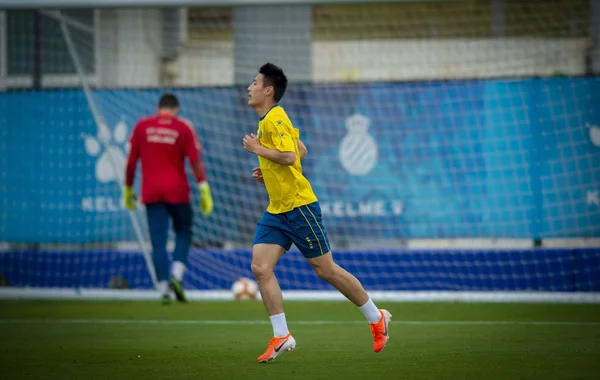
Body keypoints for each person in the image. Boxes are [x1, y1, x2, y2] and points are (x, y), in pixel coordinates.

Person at [242, 63, 391, 363]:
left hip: (299, 207)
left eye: (255, 82)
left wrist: (260, 151)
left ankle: (377, 318)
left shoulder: (276, 117)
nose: (250, 87)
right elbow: (301, 151)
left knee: (326, 270)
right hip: (277, 210)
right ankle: (281, 335)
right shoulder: (267, 121)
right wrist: (268, 170)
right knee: (260, 268)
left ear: (268, 90)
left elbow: (288, 155)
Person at [123, 93, 214, 304]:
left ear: (159, 108)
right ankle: (177, 275)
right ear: (176, 109)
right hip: (178, 192)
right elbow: (195, 161)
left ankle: (163, 289)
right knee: (184, 232)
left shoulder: (142, 126)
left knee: (158, 242)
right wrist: (204, 189)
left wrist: (128, 189)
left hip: (152, 192)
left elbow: (131, 162)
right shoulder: (183, 127)